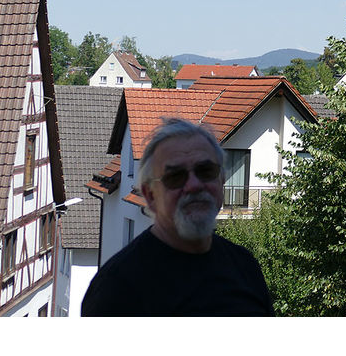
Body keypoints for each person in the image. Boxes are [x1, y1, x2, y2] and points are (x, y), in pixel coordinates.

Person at [82, 118, 273, 316]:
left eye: (206, 171)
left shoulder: (245, 266)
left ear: (222, 180)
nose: (194, 185)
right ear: (150, 195)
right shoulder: (116, 289)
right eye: (175, 177)